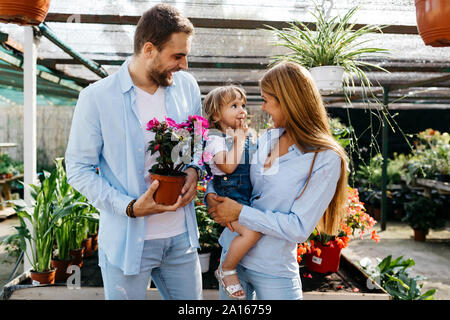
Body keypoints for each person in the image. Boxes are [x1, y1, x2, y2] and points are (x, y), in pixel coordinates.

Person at [65, 4, 204, 300]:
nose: (184, 65)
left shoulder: (187, 87)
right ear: (149, 49)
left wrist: (194, 169)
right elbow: (78, 169)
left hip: (181, 239)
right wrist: (129, 206)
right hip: (127, 242)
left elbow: (198, 141)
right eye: (177, 56)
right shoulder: (97, 98)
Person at [206, 61, 349, 300]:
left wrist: (240, 212)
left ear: (288, 102)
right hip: (233, 259)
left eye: (266, 100)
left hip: (273, 269)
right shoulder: (269, 137)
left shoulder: (325, 158)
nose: (262, 108)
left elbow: (298, 227)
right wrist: (212, 192)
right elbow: (232, 170)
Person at [202, 86, 260, 300]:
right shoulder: (215, 139)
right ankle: (226, 269)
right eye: (234, 106)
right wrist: (239, 141)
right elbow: (227, 167)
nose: (241, 110)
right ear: (216, 115)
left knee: (250, 234)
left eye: (243, 105)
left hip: (244, 201)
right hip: (230, 200)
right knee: (251, 233)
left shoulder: (242, 136)